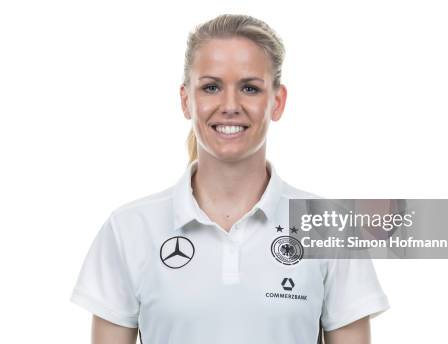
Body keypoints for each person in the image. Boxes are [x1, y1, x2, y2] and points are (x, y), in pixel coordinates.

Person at [70, 14, 389, 344]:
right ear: (186, 100)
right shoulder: (130, 228)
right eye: (211, 87)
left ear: (277, 102)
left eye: (249, 88)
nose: (230, 106)